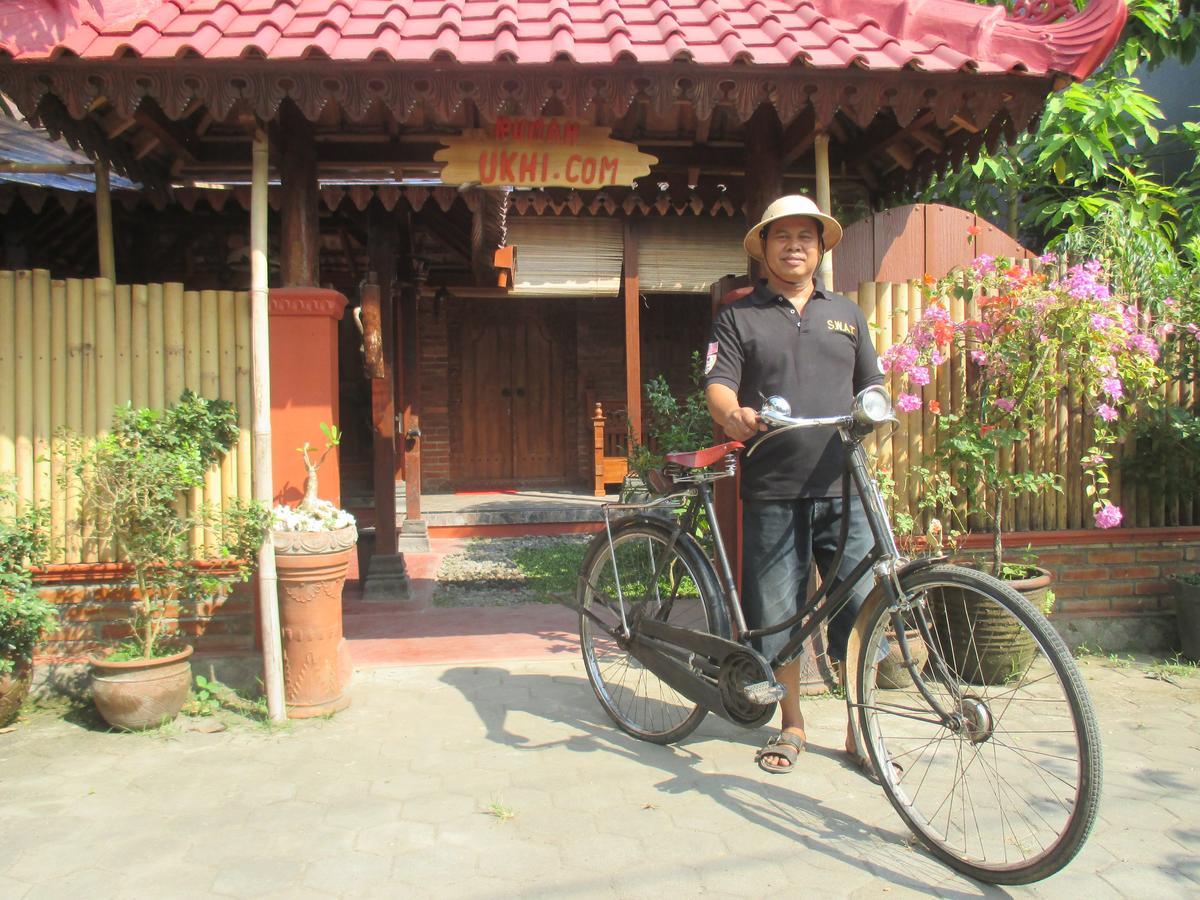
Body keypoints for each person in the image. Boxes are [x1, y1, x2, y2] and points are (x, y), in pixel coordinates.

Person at [703, 194, 884, 775]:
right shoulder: (738, 317)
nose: (795, 245)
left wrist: (875, 412)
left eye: (806, 236)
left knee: (860, 607)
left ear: (822, 246)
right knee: (778, 613)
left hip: (844, 488)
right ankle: (793, 725)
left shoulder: (848, 315)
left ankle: (862, 731)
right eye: (783, 236)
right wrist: (733, 416)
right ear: (765, 248)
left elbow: (871, 385)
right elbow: (719, 384)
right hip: (773, 487)